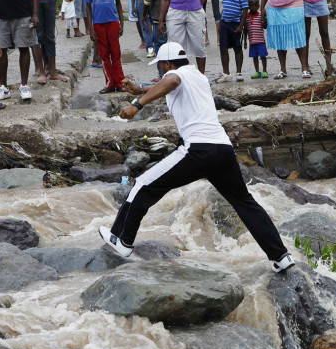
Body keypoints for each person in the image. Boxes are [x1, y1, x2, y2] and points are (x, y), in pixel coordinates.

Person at [99, 41, 296, 274]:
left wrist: (137, 104)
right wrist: (141, 89)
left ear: (167, 63)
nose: (160, 72)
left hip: (197, 149)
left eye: (160, 67)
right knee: (244, 203)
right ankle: (280, 256)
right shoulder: (198, 76)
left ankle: (122, 240)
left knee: (143, 183)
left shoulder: (173, 74)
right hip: (222, 149)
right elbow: (172, 84)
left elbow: (171, 80)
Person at [85, 0, 124, 93]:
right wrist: (90, 29)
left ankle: (120, 82)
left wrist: (121, 23)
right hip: (98, 25)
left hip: (112, 22)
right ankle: (110, 83)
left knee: (116, 53)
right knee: (104, 55)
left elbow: (118, 3)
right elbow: (88, 9)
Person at [215, 0, 248, 83]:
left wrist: (241, 26)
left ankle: (239, 72)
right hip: (225, 23)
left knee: (237, 47)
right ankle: (226, 73)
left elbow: (245, 9)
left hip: (235, 24)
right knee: (223, 48)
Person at [245, 0, 268, 78]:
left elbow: (265, 27)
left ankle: (265, 71)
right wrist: (245, 41)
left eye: (255, 5)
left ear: (258, 6)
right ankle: (257, 72)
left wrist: (265, 20)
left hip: (261, 41)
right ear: (248, 6)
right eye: (251, 5)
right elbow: (246, 30)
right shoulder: (246, 17)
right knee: (255, 57)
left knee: (263, 56)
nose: (253, 7)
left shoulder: (260, 16)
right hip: (252, 42)